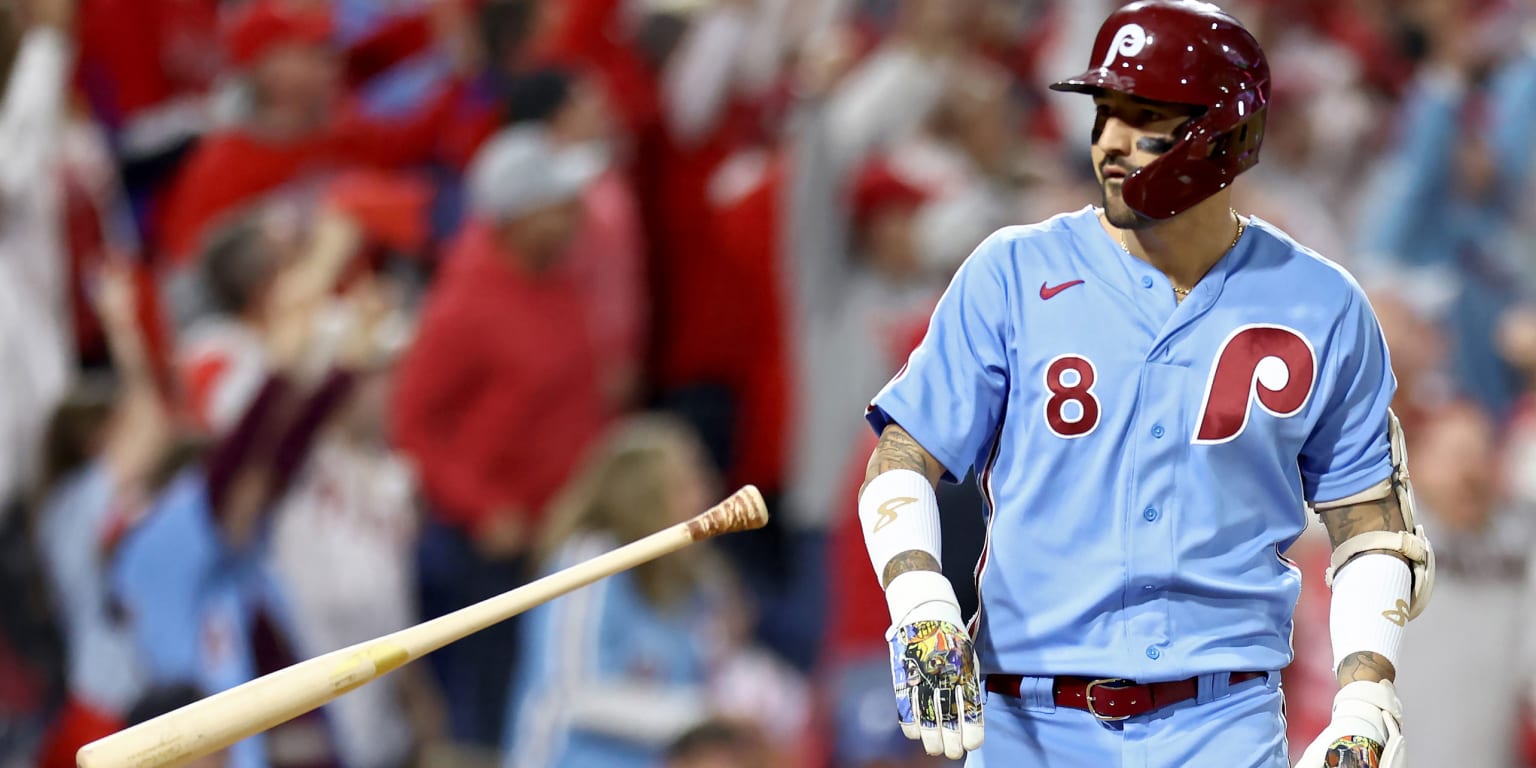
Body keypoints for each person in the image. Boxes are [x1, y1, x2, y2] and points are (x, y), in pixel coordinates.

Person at [854, 2, 1435, 765]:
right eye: (1105, 114)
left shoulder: (1322, 303)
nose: (1111, 144)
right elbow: (903, 458)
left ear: (1230, 134)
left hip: (1224, 718)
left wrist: (1366, 690)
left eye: (1146, 118)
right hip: (1028, 720)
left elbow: (1370, 525)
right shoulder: (1012, 273)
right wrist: (919, 598)